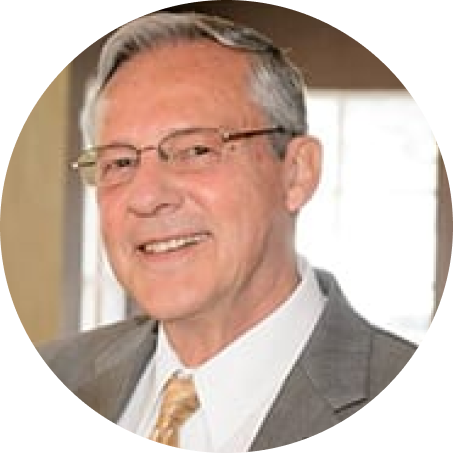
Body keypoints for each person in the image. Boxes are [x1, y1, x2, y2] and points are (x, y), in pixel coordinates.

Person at [39, 12, 416, 450]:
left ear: (296, 173)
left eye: (196, 150)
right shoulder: (60, 370)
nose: (146, 197)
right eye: (120, 162)